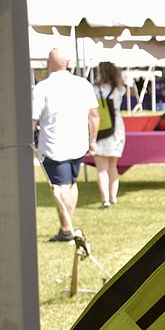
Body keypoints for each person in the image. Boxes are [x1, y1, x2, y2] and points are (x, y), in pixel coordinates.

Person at [32, 49, 99, 242]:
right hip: (78, 143)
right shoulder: (83, 84)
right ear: (67, 63)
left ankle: (66, 229)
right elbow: (94, 115)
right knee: (71, 183)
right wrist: (92, 140)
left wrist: (29, 140)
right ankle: (67, 226)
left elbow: (33, 118)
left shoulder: (42, 87)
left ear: (48, 64)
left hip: (54, 145)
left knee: (60, 187)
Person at [92, 61, 127, 208]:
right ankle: (113, 197)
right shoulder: (119, 89)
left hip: (100, 127)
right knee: (113, 166)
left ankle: (105, 199)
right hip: (116, 127)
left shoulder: (94, 90)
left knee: (101, 168)